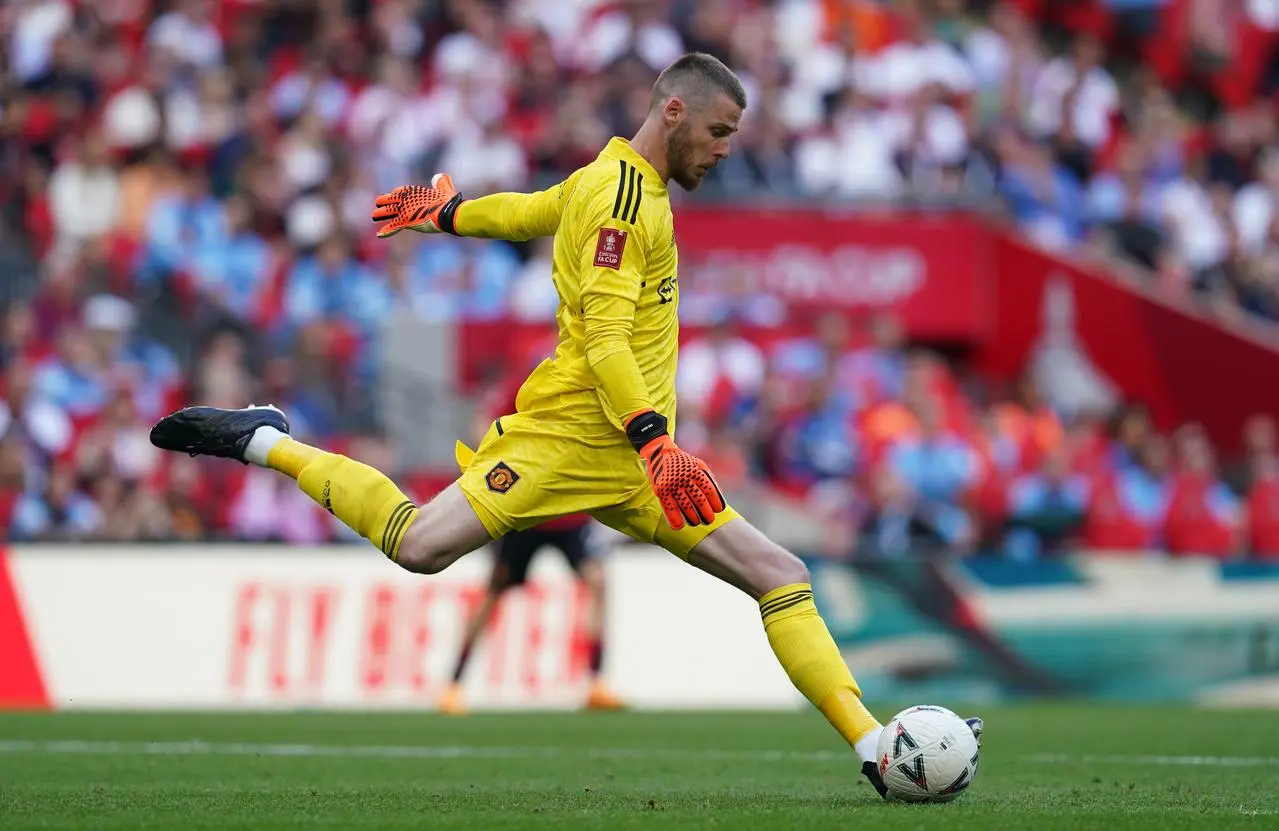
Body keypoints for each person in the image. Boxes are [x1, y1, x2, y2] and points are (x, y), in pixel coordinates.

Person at [149, 52, 979, 798]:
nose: (727, 150)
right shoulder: (623, 202)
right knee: (417, 544)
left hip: (628, 458)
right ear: (674, 114)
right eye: (720, 131)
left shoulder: (609, 181)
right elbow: (609, 339)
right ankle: (267, 438)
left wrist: (444, 215)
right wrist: (658, 441)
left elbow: (524, 211)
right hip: (575, 440)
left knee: (777, 570)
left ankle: (874, 745)